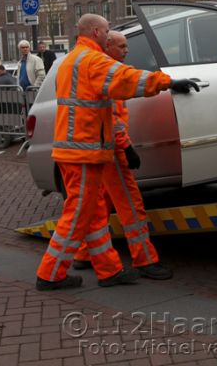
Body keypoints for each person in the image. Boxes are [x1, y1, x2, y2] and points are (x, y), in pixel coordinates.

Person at [35, 14, 200, 291]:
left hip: (76, 151)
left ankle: (108, 270)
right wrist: (168, 82)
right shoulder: (92, 60)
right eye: (108, 31)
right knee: (77, 215)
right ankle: (51, 274)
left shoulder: (72, 60)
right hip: (85, 152)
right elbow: (126, 78)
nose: (112, 37)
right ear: (97, 31)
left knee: (93, 214)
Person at [71, 30, 172, 281]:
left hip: (98, 147)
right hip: (112, 150)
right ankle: (145, 259)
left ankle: (83, 254)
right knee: (130, 204)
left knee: (101, 203)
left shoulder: (93, 66)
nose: (127, 50)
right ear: (108, 47)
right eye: (122, 46)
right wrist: (127, 147)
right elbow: (113, 119)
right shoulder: (109, 70)